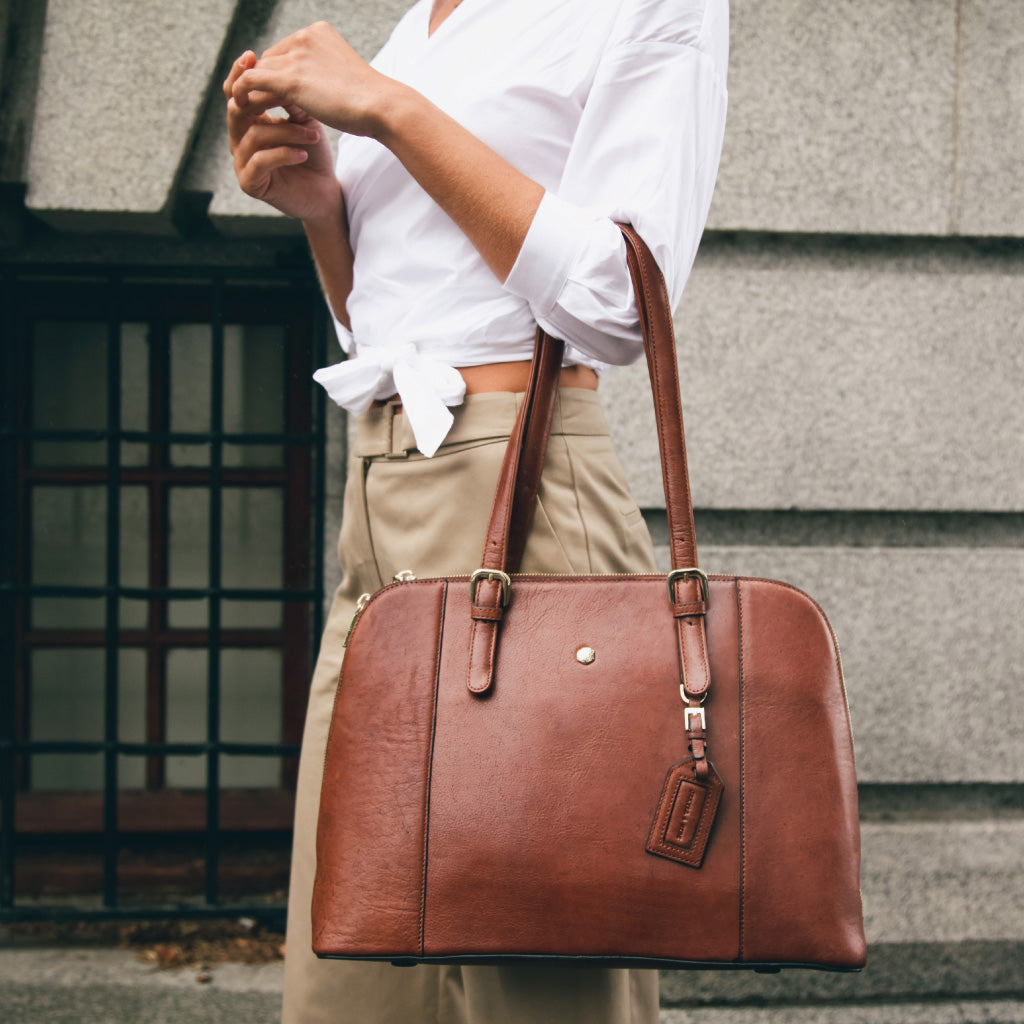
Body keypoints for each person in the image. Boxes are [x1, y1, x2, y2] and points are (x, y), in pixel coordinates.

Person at [224, 0, 728, 1020]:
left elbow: (623, 301)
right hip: (381, 495)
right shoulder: (426, 21)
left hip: (523, 488)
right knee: (354, 971)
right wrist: (323, 207)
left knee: (541, 974)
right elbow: (412, 319)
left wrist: (389, 110)